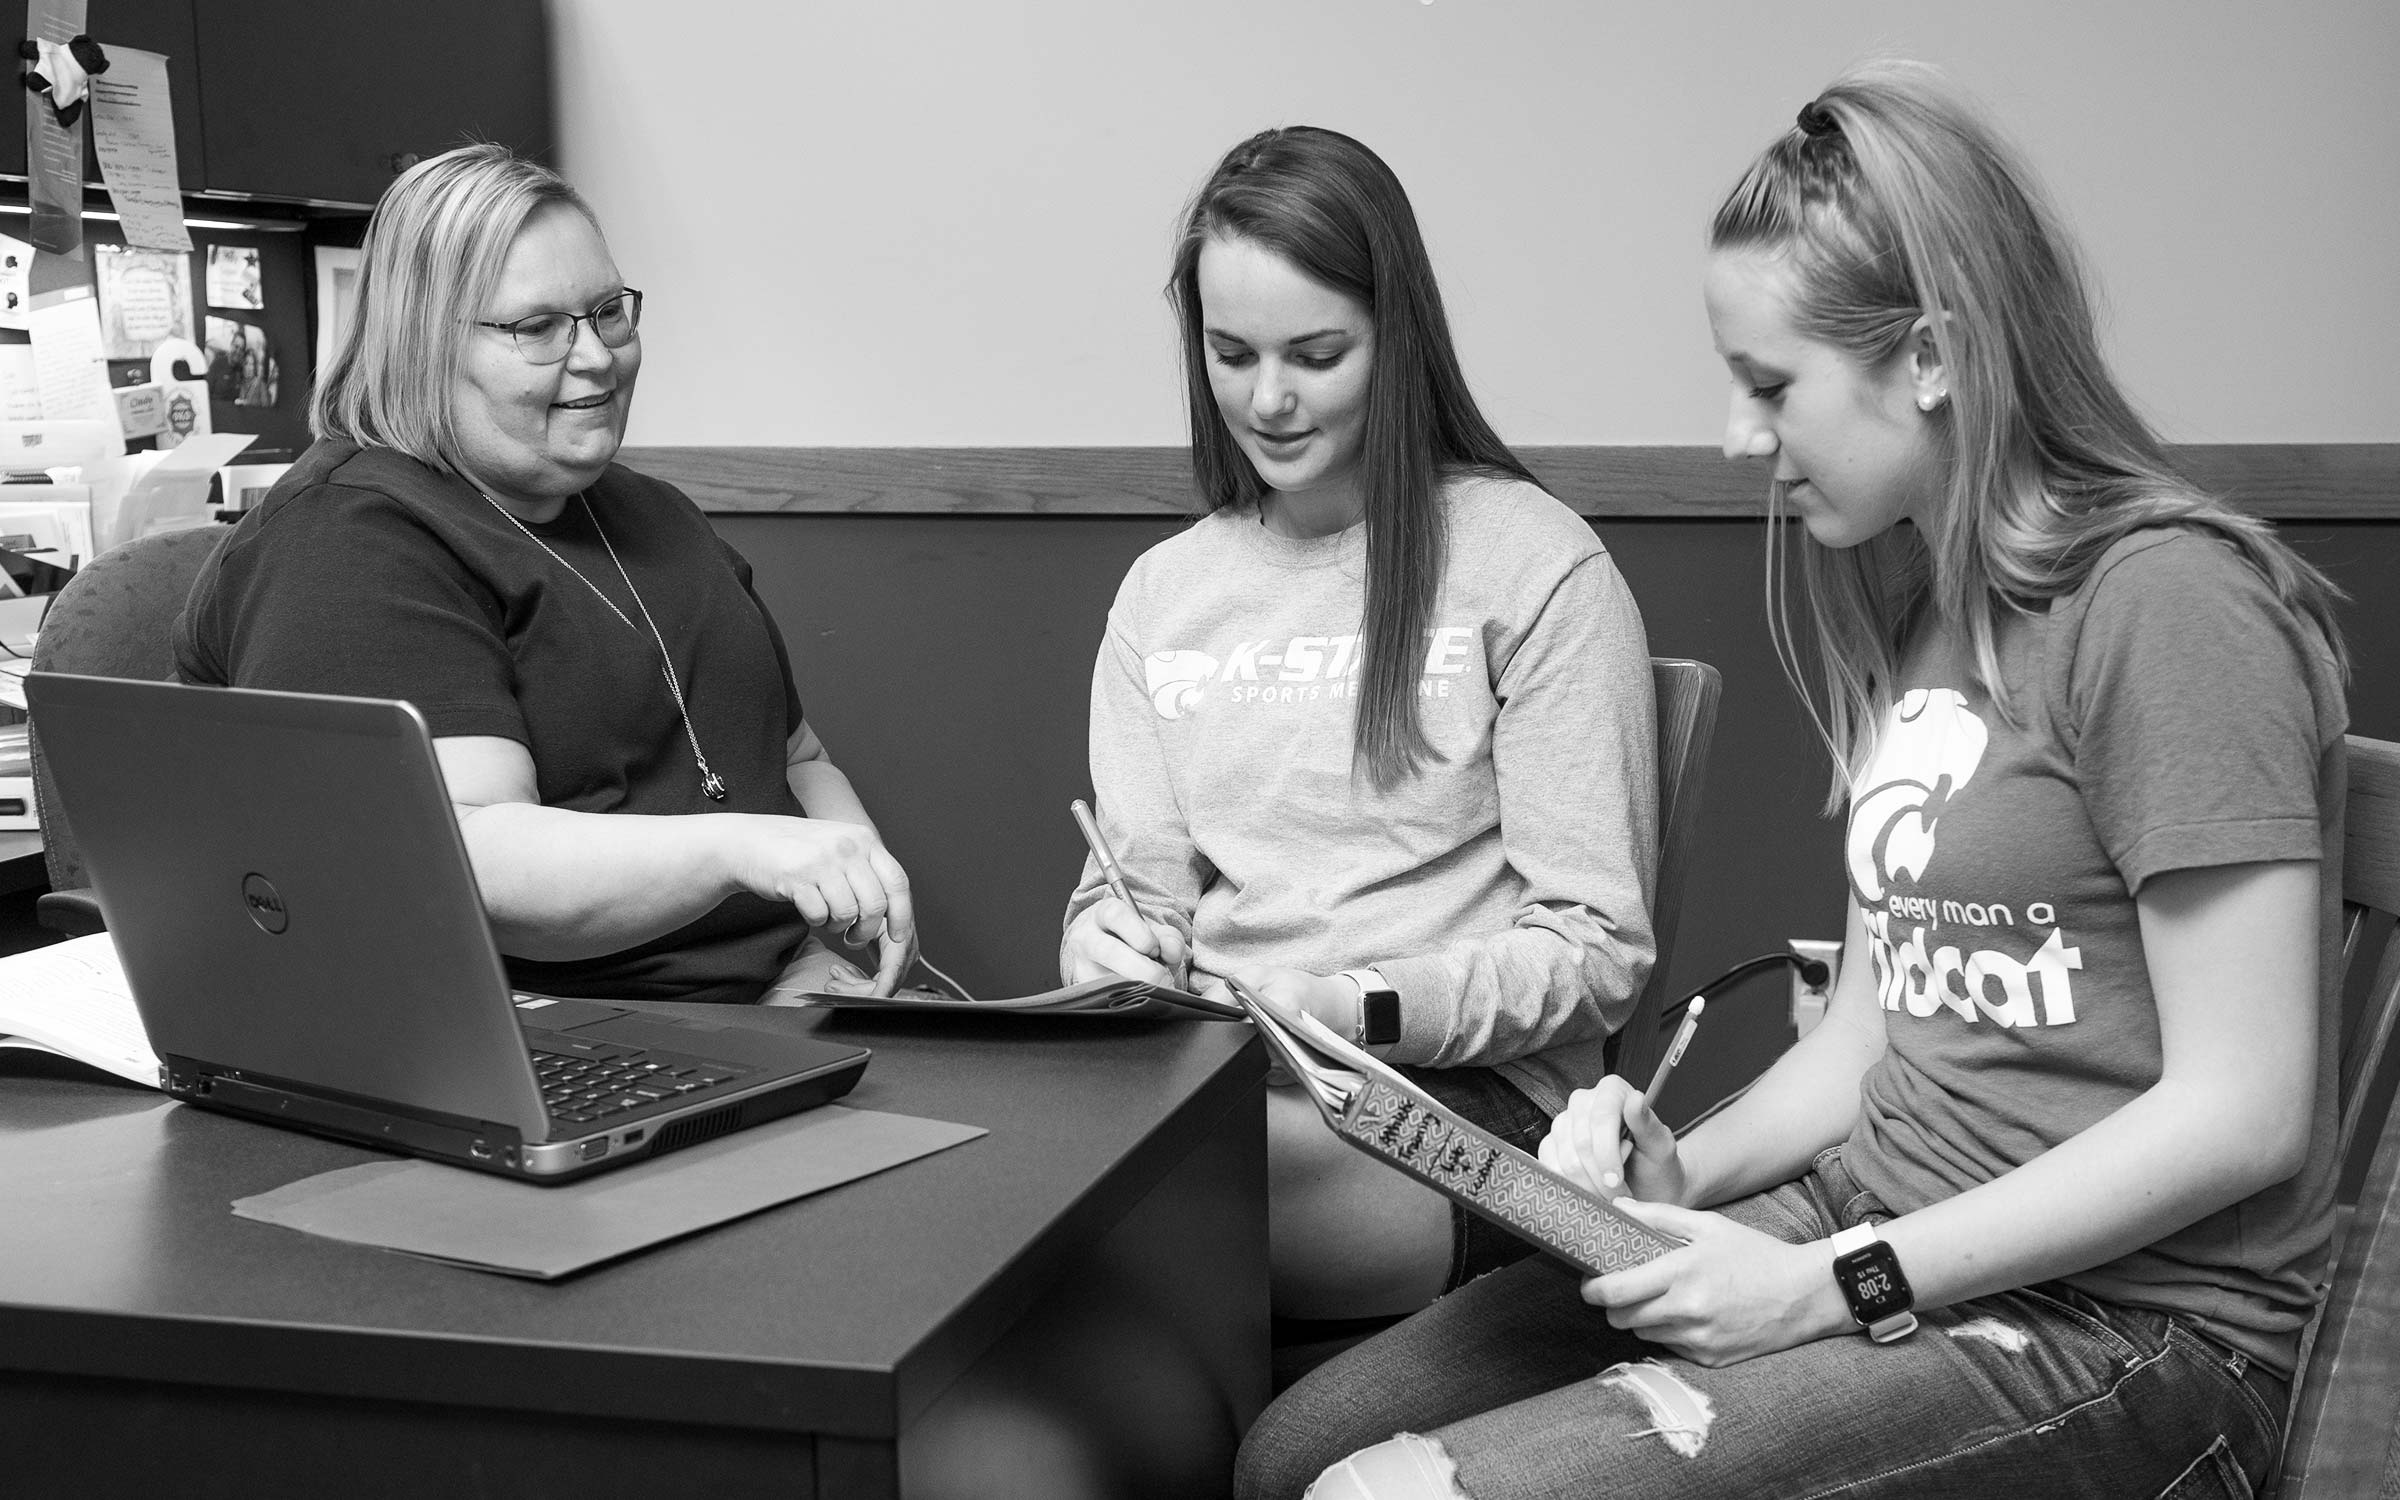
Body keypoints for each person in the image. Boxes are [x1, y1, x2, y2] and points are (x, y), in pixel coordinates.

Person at [1236, 61, 2350, 1500]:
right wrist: (1669, 1182)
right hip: (1871, 1226)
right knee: (1293, 1453)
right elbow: (1860, 1044)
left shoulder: (2172, 607)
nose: (1738, 436)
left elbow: (2247, 1109)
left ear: (1934, 354)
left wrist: (1837, 1283)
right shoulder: (1931, 604)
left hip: (2128, 1330)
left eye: (1771, 385)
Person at [1062, 126, 1659, 1323]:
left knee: (1100, 1219)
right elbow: (1129, 894)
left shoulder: (1533, 565)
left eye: (1316, 354)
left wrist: (1360, 1006)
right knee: (1041, 1181)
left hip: (1473, 1115)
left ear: (1397, 339)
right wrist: (1103, 951)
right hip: (1222, 1084)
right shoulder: (1163, 597)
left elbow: (1597, 952)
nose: (1267, 399)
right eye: (1230, 354)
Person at [178, 144, 914, 1005]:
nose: (598, 356)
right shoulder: (349, 541)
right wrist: (738, 852)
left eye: (608, 312)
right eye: (536, 329)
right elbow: (471, 861)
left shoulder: (651, 511)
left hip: (772, 1004)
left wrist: (846, 925)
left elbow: (797, 756)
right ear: (420, 344)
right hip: (547, 1033)